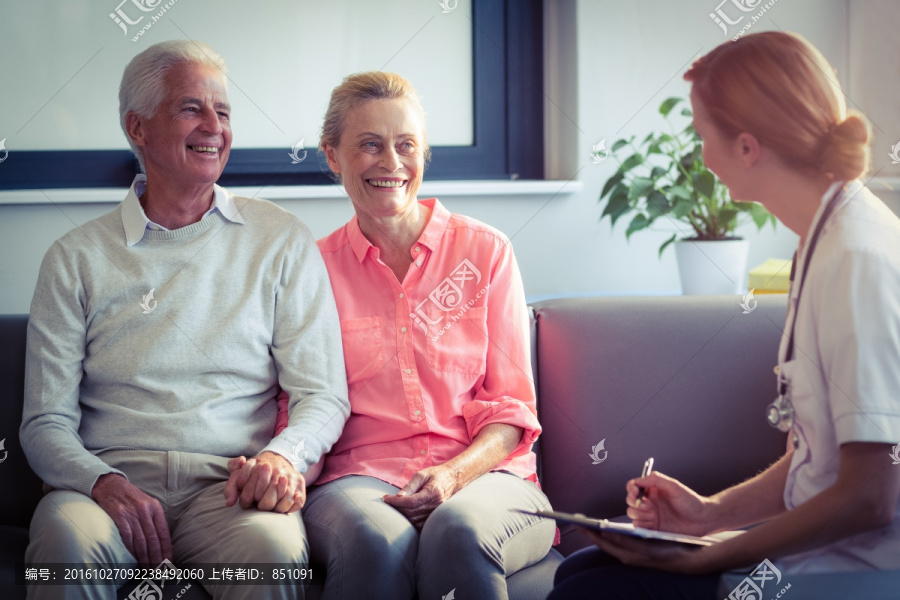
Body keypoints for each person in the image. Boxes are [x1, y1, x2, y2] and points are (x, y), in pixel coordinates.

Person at [549, 31, 900, 599]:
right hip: (819, 555)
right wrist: (706, 516)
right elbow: (818, 460)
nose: (700, 153)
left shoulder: (858, 257)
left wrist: (704, 559)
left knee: (590, 591)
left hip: (857, 572)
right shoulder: (821, 240)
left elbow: (871, 496)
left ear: (746, 146)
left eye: (701, 133)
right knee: (581, 569)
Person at [20, 40, 350, 600]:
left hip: (229, 488)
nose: (214, 127)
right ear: (138, 127)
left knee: (274, 555)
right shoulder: (74, 258)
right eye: (191, 108)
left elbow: (323, 396)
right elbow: (44, 423)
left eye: (223, 112)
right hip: (107, 487)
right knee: (64, 548)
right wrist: (102, 482)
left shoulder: (280, 239)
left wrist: (279, 457)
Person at [277, 71, 556, 600]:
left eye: (407, 145)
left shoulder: (486, 253)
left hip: (486, 477)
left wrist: (452, 477)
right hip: (360, 480)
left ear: (424, 155)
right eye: (369, 145)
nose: (391, 163)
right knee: (373, 541)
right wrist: (283, 466)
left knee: (460, 529)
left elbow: (511, 409)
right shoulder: (312, 270)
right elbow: (301, 405)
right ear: (332, 156)